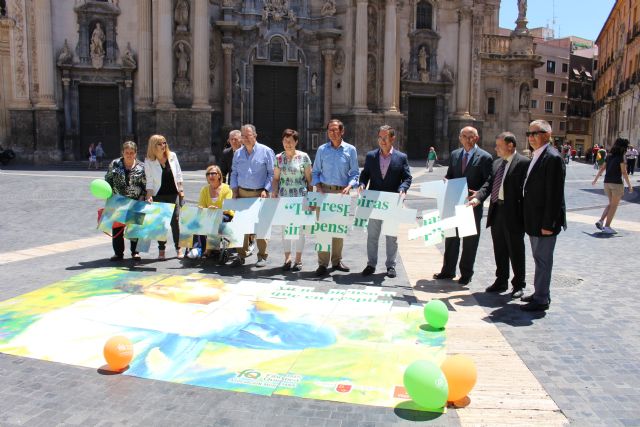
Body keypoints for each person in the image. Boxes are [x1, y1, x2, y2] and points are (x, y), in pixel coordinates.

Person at [469, 132, 530, 299]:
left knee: (516, 250)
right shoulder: (497, 164)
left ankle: (518, 284)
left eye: (499, 145)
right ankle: (501, 280)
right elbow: (489, 184)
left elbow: (527, 191)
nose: (495, 148)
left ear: (510, 146)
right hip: (497, 211)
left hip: (514, 214)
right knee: (499, 248)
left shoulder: (524, 163)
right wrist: (478, 197)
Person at [433, 126, 492, 285]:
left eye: (471, 136)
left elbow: (489, 181)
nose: (467, 139)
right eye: (464, 136)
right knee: (451, 238)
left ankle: (466, 274)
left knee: (469, 241)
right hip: (454, 202)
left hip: (470, 205)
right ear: (460, 138)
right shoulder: (455, 154)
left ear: (476, 138)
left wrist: (478, 195)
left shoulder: (485, 157)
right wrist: (446, 180)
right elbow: (451, 174)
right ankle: (448, 271)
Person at [520, 119, 566, 311]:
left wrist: (548, 224)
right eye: (528, 134)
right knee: (539, 259)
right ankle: (540, 292)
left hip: (544, 222)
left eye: (535, 133)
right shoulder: (537, 155)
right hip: (534, 219)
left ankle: (541, 299)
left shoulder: (553, 158)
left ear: (547, 135)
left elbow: (554, 195)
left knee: (543, 260)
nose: (530, 137)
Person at [358, 125, 412, 278]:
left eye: (385, 138)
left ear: (392, 138)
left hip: (391, 202)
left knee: (391, 236)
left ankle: (391, 265)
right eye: (380, 138)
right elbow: (365, 174)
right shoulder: (371, 156)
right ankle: (371, 264)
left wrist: (403, 188)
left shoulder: (401, 157)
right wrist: (362, 184)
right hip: (374, 202)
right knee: (372, 236)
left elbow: (407, 177)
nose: (382, 141)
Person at [311, 119, 360, 276]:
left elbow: (354, 173)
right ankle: (322, 263)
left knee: (338, 230)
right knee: (323, 230)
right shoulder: (322, 150)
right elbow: (315, 172)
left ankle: (337, 261)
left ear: (342, 131)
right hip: (323, 192)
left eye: (335, 130)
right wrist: (318, 186)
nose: (332, 133)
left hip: (341, 194)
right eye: (330, 130)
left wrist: (349, 186)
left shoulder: (350, 150)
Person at [229, 124, 275, 267]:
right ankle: (240, 255)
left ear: (255, 136)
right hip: (242, 193)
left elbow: (272, 174)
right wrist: (234, 189)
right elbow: (234, 172)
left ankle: (262, 256)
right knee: (240, 225)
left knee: (261, 225)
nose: (245, 138)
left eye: (248, 136)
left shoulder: (266, 151)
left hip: (260, 194)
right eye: (243, 136)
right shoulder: (238, 153)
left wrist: (266, 190)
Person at [271, 129, 313, 272]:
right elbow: (276, 178)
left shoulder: (304, 157)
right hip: (284, 199)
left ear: (296, 142)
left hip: (301, 198)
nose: (287, 144)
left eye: (290, 141)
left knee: (300, 230)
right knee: (285, 230)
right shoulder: (278, 158)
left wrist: (311, 200)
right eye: (285, 141)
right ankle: (287, 258)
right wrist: (274, 191)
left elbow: (309, 180)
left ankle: (298, 260)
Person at [104, 141, 147, 261]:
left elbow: (145, 185)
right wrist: (109, 196)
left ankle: (135, 252)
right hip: (118, 201)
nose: (129, 155)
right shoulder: (115, 164)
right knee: (117, 228)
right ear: (123, 152)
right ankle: (118, 253)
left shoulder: (142, 167)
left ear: (135, 153)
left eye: (131, 153)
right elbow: (108, 180)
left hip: (136, 201)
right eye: (126, 152)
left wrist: (143, 196)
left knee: (135, 228)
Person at [144, 135, 185, 260]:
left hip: (173, 194)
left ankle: (179, 248)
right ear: (153, 146)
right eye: (160, 144)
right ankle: (161, 250)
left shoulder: (172, 156)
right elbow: (149, 181)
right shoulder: (149, 160)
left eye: (164, 143)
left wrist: (181, 191)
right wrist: (149, 195)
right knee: (160, 223)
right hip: (158, 195)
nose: (163, 146)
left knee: (175, 221)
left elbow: (178, 174)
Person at [187, 164, 234, 258]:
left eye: (213, 173)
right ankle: (198, 248)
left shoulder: (227, 189)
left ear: (219, 175)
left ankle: (209, 248)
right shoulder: (204, 190)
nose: (210, 176)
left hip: (224, 214)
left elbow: (229, 208)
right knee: (194, 218)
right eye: (208, 174)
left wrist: (218, 210)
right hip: (209, 214)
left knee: (214, 219)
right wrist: (201, 208)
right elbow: (201, 205)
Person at [593, 138, 634, 234]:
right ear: (623, 147)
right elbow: (624, 172)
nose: (627, 149)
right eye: (626, 147)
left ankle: (601, 221)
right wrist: (630, 186)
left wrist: (595, 179)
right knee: (614, 206)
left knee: (611, 204)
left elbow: (603, 168)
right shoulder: (621, 157)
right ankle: (607, 226)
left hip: (606, 183)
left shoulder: (609, 156)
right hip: (616, 184)